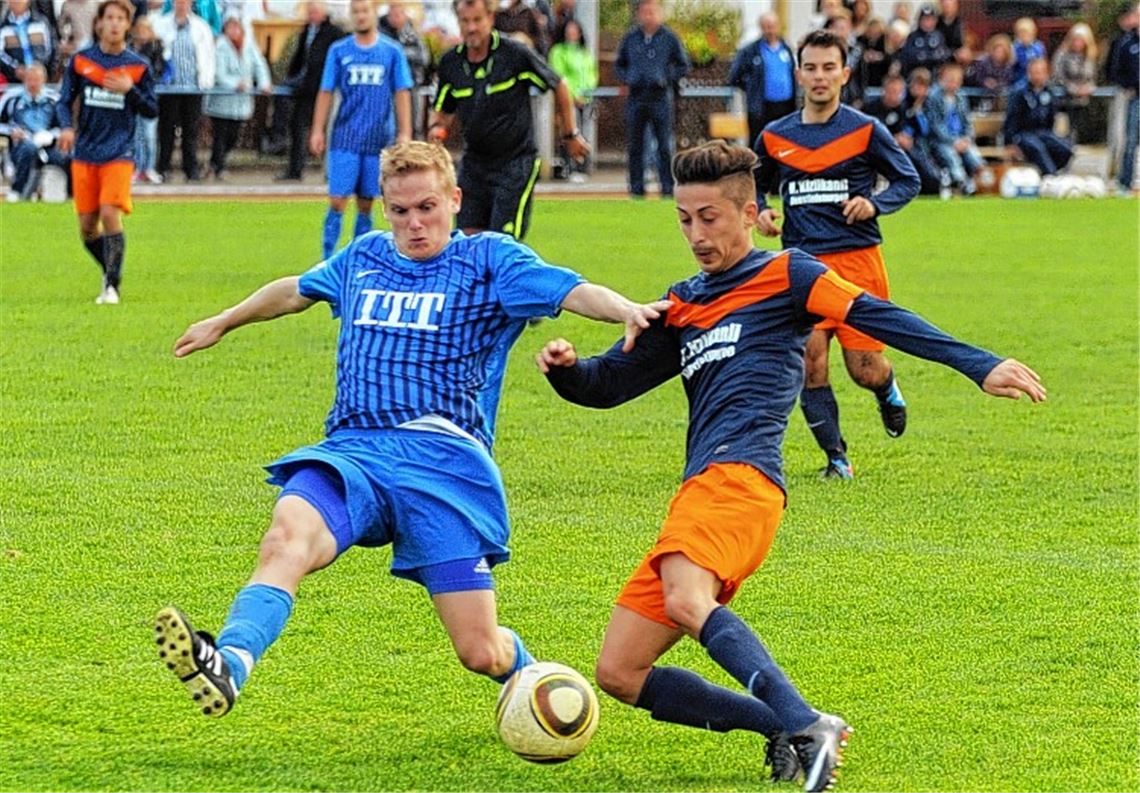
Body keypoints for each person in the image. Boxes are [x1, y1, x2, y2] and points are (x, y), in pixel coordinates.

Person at [536, 139, 1046, 793]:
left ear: (750, 212)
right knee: (620, 670)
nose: (696, 233)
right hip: (704, 487)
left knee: (687, 600)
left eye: (710, 217)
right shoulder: (684, 303)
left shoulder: (790, 274)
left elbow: (878, 315)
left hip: (741, 479)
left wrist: (979, 365)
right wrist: (566, 368)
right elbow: (607, 384)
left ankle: (806, 723)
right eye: (684, 218)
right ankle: (786, 726)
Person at [153, 139, 672, 723]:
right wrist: (225, 320)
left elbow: (570, 289)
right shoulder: (364, 257)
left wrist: (625, 308)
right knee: (284, 540)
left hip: (444, 466)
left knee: (480, 651)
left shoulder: (490, 261)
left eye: (427, 207)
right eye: (399, 211)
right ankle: (231, 661)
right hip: (355, 453)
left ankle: (538, 683)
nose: (414, 224)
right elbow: (297, 289)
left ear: (454, 199)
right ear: (384, 208)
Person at [753, 29, 920, 479]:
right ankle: (837, 459)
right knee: (811, 362)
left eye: (829, 67)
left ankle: (886, 388)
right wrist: (762, 210)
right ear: (798, 74)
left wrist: (874, 203)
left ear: (845, 74)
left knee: (863, 368)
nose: (820, 76)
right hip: (802, 265)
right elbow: (753, 181)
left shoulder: (865, 130)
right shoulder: (774, 136)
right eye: (811, 67)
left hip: (857, 260)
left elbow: (909, 180)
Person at [427, 0, 587, 239]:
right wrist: (436, 131)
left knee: (502, 243)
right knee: (466, 240)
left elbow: (559, 84)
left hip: (515, 162)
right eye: (465, 21)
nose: (471, 27)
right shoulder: (451, 63)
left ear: (490, 18)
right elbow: (443, 110)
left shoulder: (514, 54)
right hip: (474, 164)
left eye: (477, 20)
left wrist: (570, 134)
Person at [56, 0, 158, 305]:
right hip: (86, 151)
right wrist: (66, 127)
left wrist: (130, 90)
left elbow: (151, 110)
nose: (114, 24)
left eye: (120, 18)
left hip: (119, 151)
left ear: (128, 25)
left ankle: (112, 286)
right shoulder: (81, 62)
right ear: (99, 23)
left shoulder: (138, 67)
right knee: (88, 227)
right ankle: (109, 270)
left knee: (110, 213)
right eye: (109, 17)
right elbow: (63, 101)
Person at [309, 0, 412, 259]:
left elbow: (401, 92)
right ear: (351, 16)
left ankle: (358, 257)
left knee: (367, 202)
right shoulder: (339, 51)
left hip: (378, 138)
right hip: (345, 136)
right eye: (356, 12)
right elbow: (326, 91)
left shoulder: (391, 51)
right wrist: (318, 130)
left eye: (365, 11)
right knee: (337, 199)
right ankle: (327, 257)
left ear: (374, 14)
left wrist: (405, 132)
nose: (361, 16)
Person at [614, 0, 689, 198]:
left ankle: (667, 188)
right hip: (637, 98)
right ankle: (637, 189)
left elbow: (683, 65)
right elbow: (619, 64)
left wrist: (666, 79)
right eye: (645, 12)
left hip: (660, 98)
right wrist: (629, 78)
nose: (649, 16)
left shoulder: (669, 38)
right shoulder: (631, 38)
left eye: (653, 12)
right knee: (636, 146)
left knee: (664, 146)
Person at [276, 1, 344, 182]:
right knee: (297, 127)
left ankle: (331, 171)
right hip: (304, 88)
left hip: (323, 88)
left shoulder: (334, 34)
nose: (311, 15)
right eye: (309, 12)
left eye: (314, 12)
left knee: (329, 130)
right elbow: (301, 59)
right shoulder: (305, 31)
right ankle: (294, 169)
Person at [152, 0, 215, 182]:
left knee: (191, 131)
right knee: (166, 131)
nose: (181, 4)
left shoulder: (201, 27)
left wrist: (206, 82)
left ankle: (191, 171)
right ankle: (163, 168)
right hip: (169, 89)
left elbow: (208, 57)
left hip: (193, 88)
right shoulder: (161, 24)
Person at [204, 14, 271, 181]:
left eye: (236, 27)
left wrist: (264, 83)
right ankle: (218, 167)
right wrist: (235, 84)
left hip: (241, 102)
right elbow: (218, 73)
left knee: (233, 136)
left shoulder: (249, 45)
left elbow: (259, 65)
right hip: (221, 101)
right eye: (230, 28)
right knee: (220, 135)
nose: (233, 31)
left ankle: (214, 164)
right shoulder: (220, 46)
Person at [0, 61, 70, 201]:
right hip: (21, 144)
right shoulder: (11, 98)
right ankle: (17, 191)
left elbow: (64, 126)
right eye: (30, 79)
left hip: (47, 144)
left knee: (67, 157)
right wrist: (12, 131)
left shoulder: (53, 99)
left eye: (36, 80)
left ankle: (70, 195)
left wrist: (51, 135)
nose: (33, 84)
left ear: (43, 80)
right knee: (28, 149)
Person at [729, 11, 796, 149]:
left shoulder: (786, 49)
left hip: (785, 106)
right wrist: (751, 88)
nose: (770, 30)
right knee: (759, 143)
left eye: (772, 26)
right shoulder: (750, 51)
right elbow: (735, 77)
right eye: (766, 26)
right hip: (761, 107)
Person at [866, 72, 941, 193]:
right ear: (884, 90)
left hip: (903, 150)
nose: (895, 95)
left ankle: (929, 184)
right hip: (877, 150)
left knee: (920, 156)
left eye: (898, 92)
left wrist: (907, 137)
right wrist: (892, 140)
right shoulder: (870, 109)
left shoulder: (905, 108)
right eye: (892, 91)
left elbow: (920, 131)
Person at [1003, 57, 1072, 177]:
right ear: (1029, 73)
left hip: (1043, 132)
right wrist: (1009, 142)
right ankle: (1051, 177)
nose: (1038, 76)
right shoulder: (1019, 93)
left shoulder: (1049, 92)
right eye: (1035, 72)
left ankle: (1049, 172)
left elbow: (1051, 118)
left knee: (1065, 149)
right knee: (1037, 147)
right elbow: (1011, 119)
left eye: (1041, 72)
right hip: (1022, 134)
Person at [547, 18, 596, 181]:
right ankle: (570, 168)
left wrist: (586, 95)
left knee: (584, 132)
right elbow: (559, 76)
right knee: (569, 132)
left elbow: (591, 74)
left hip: (585, 100)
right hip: (568, 100)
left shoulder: (584, 53)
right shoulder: (558, 51)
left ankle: (583, 166)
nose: (572, 33)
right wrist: (573, 96)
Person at [928, 61, 982, 195]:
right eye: (950, 79)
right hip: (941, 141)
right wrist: (954, 141)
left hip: (961, 139)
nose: (954, 83)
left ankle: (981, 183)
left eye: (957, 79)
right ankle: (961, 183)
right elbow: (935, 126)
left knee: (973, 155)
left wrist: (967, 138)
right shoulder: (933, 98)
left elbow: (967, 123)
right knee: (951, 156)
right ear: (942, 79)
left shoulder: (962, 98)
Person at [1106, 2, 1138, 195]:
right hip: (1134, 98)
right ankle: (1124, 183)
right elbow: (1114, 70)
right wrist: (1128, 87)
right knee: (1130, 140)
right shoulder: (1126, 43)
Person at [129, 14, 164, 183]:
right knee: (137, 137)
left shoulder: (156, 48)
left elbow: (159, 70)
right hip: (133, 97)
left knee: (149, 135)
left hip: (148, 96)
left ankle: (149, 168)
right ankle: (137, 168)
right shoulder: (129, 48)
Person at [1050, 23, 1097, 145]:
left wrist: (1089, 88)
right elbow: (1058, 76)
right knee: (1061, 131)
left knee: (1074, 132)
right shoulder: (1062, 55)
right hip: (1063, 100)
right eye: (1076, 40)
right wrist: (1074, 89)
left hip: (1080, 102)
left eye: (1081, 40)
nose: (1078, 43)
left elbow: (1091, 77)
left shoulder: (1089, 57)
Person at [0, 0, 56, 83]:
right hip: (14, 82)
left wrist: (40, 69)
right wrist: (15, 69)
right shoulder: (3, 27)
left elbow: (51, 49)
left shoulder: (41, 23)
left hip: (41, 81)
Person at [899, 3, 949, 77]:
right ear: (919, 20)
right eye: (925, 19)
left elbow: (942, 55)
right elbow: (908, 55)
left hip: (935, 76)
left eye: (931, 19)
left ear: (936, 21)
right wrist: (928, 57)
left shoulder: (939, 36)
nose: (928, 22)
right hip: (915, 75)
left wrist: (925, 56)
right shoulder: (913, 36)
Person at [966, 33, 1015, 109]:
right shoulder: (982, 63)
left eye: (1002, 51)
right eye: (997, 51)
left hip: (1000, 95)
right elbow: (976, 78)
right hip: (981, 95)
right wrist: (985, 81)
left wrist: (998, 84)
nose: (999, 54)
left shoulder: (1008, 67)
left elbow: (1008, 81)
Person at [1010, 17, 1044, 89]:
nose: (1024, 36)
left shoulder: (1039, 47)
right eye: (1021, 33)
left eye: (1027, 33)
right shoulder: (1013, 48)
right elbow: (1010, 68)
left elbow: (1042, 65)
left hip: (1036, 78)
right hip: (1019, 79)